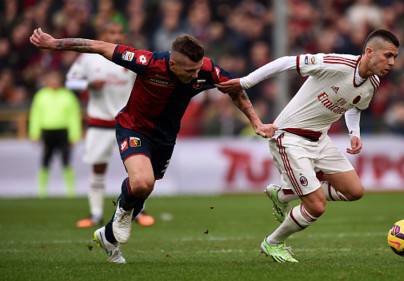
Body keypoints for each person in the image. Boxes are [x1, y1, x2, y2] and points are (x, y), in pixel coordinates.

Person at [30, 27, 275, 264]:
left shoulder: (206, 69)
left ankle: (107, 236)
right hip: (133, 127)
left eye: (198, 68)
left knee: (145, 187)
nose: (195, 74)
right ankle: (122, 213)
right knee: (142, 182)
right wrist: (55, 44)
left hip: (165, 138)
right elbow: (99, 46)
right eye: (189, 70)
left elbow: (235, 90)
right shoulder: (148, 62)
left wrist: (256, 122)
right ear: (173, 63)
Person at [217, 29, 399, 263]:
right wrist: (245, 82)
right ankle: (273, 243)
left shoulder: (372, 83)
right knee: (316, 206)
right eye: (388, 56)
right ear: (369, 52)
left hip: (320, 140)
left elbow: (355, 105)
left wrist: (354, 133)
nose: (392, 62)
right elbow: (286, 62)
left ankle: (283, 194)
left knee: (354, 191)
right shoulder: (338, 64)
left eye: (395, 57)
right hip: (290, 138)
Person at [66, 22, 155, 229]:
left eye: (118, 32)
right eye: (111, 32)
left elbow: (147, 79)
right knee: (98, 168)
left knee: (138, 170)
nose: (116, 36)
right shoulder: (88, 58)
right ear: (102, 35)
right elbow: (71, 82)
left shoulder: (131, 57)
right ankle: (95, 214)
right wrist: (88, 84)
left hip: (130, 124)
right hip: (100, 123)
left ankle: (140, 211)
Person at [29, 71, 82, 198]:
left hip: (63, 132)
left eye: (56, 79)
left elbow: (74, 116)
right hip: (47, 131)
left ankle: (71, 192)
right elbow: (35, 115)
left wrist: (75, 134)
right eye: (51, 79)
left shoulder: (68, 96)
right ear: (46, 81)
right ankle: (42, 192)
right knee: (45, 161)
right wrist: (34, 132)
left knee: (66, 161)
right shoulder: (41, 96)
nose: (53, 82)